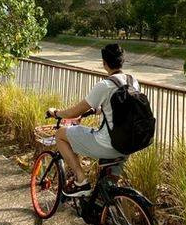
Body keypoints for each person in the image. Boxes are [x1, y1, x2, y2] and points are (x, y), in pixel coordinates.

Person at [46, 43, 139, 197]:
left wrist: (57, 113)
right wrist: (101, 109)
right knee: (109, 188)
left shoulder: (105, 85)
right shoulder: (132, 81)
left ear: (104, 63)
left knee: (61, 135)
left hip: (108, 144)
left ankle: (81, 182)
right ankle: (110, 208)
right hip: (129, 143)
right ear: (122, 61)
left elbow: (75, 111)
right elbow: (122, 107)